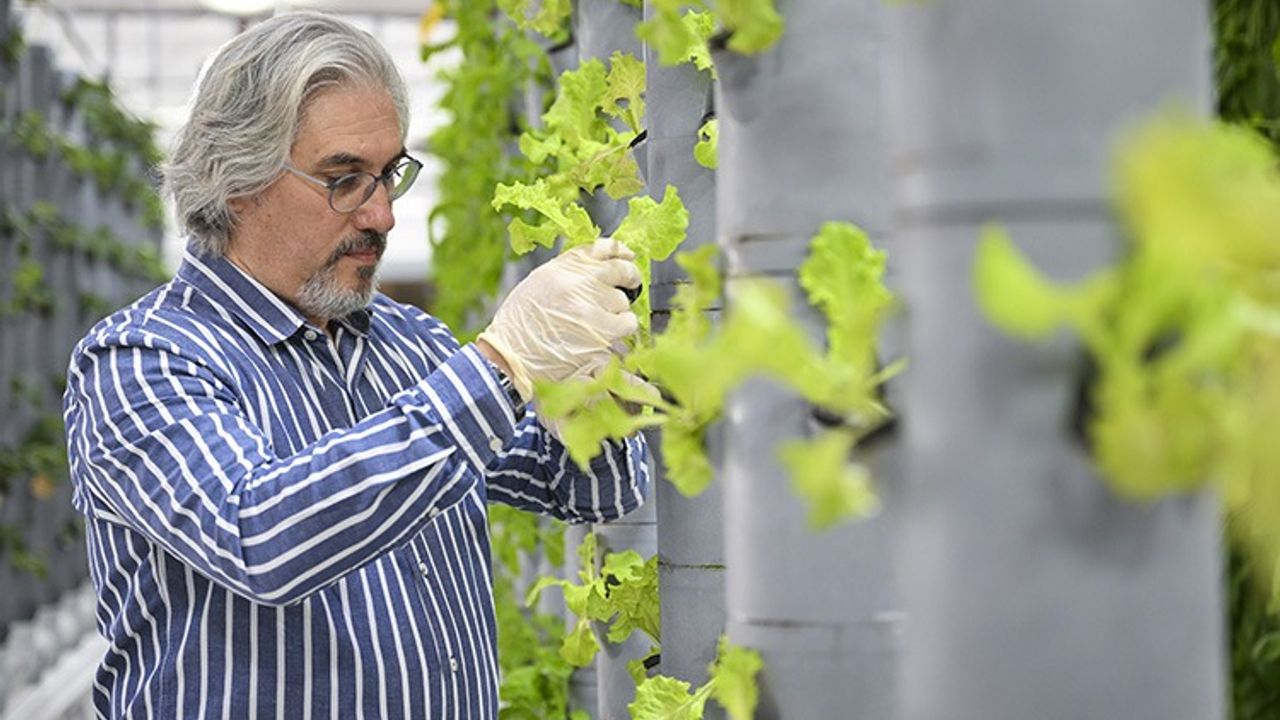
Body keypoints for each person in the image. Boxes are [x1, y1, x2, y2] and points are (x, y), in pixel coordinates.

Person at [62, 11, 649, 719]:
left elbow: (587, 495)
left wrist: (596, 398)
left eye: (388, 174)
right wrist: (502, 363)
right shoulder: (140, 361)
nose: (382, 216)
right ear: (237, 179)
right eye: (344, 179)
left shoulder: (409, 347)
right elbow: (259, 538)